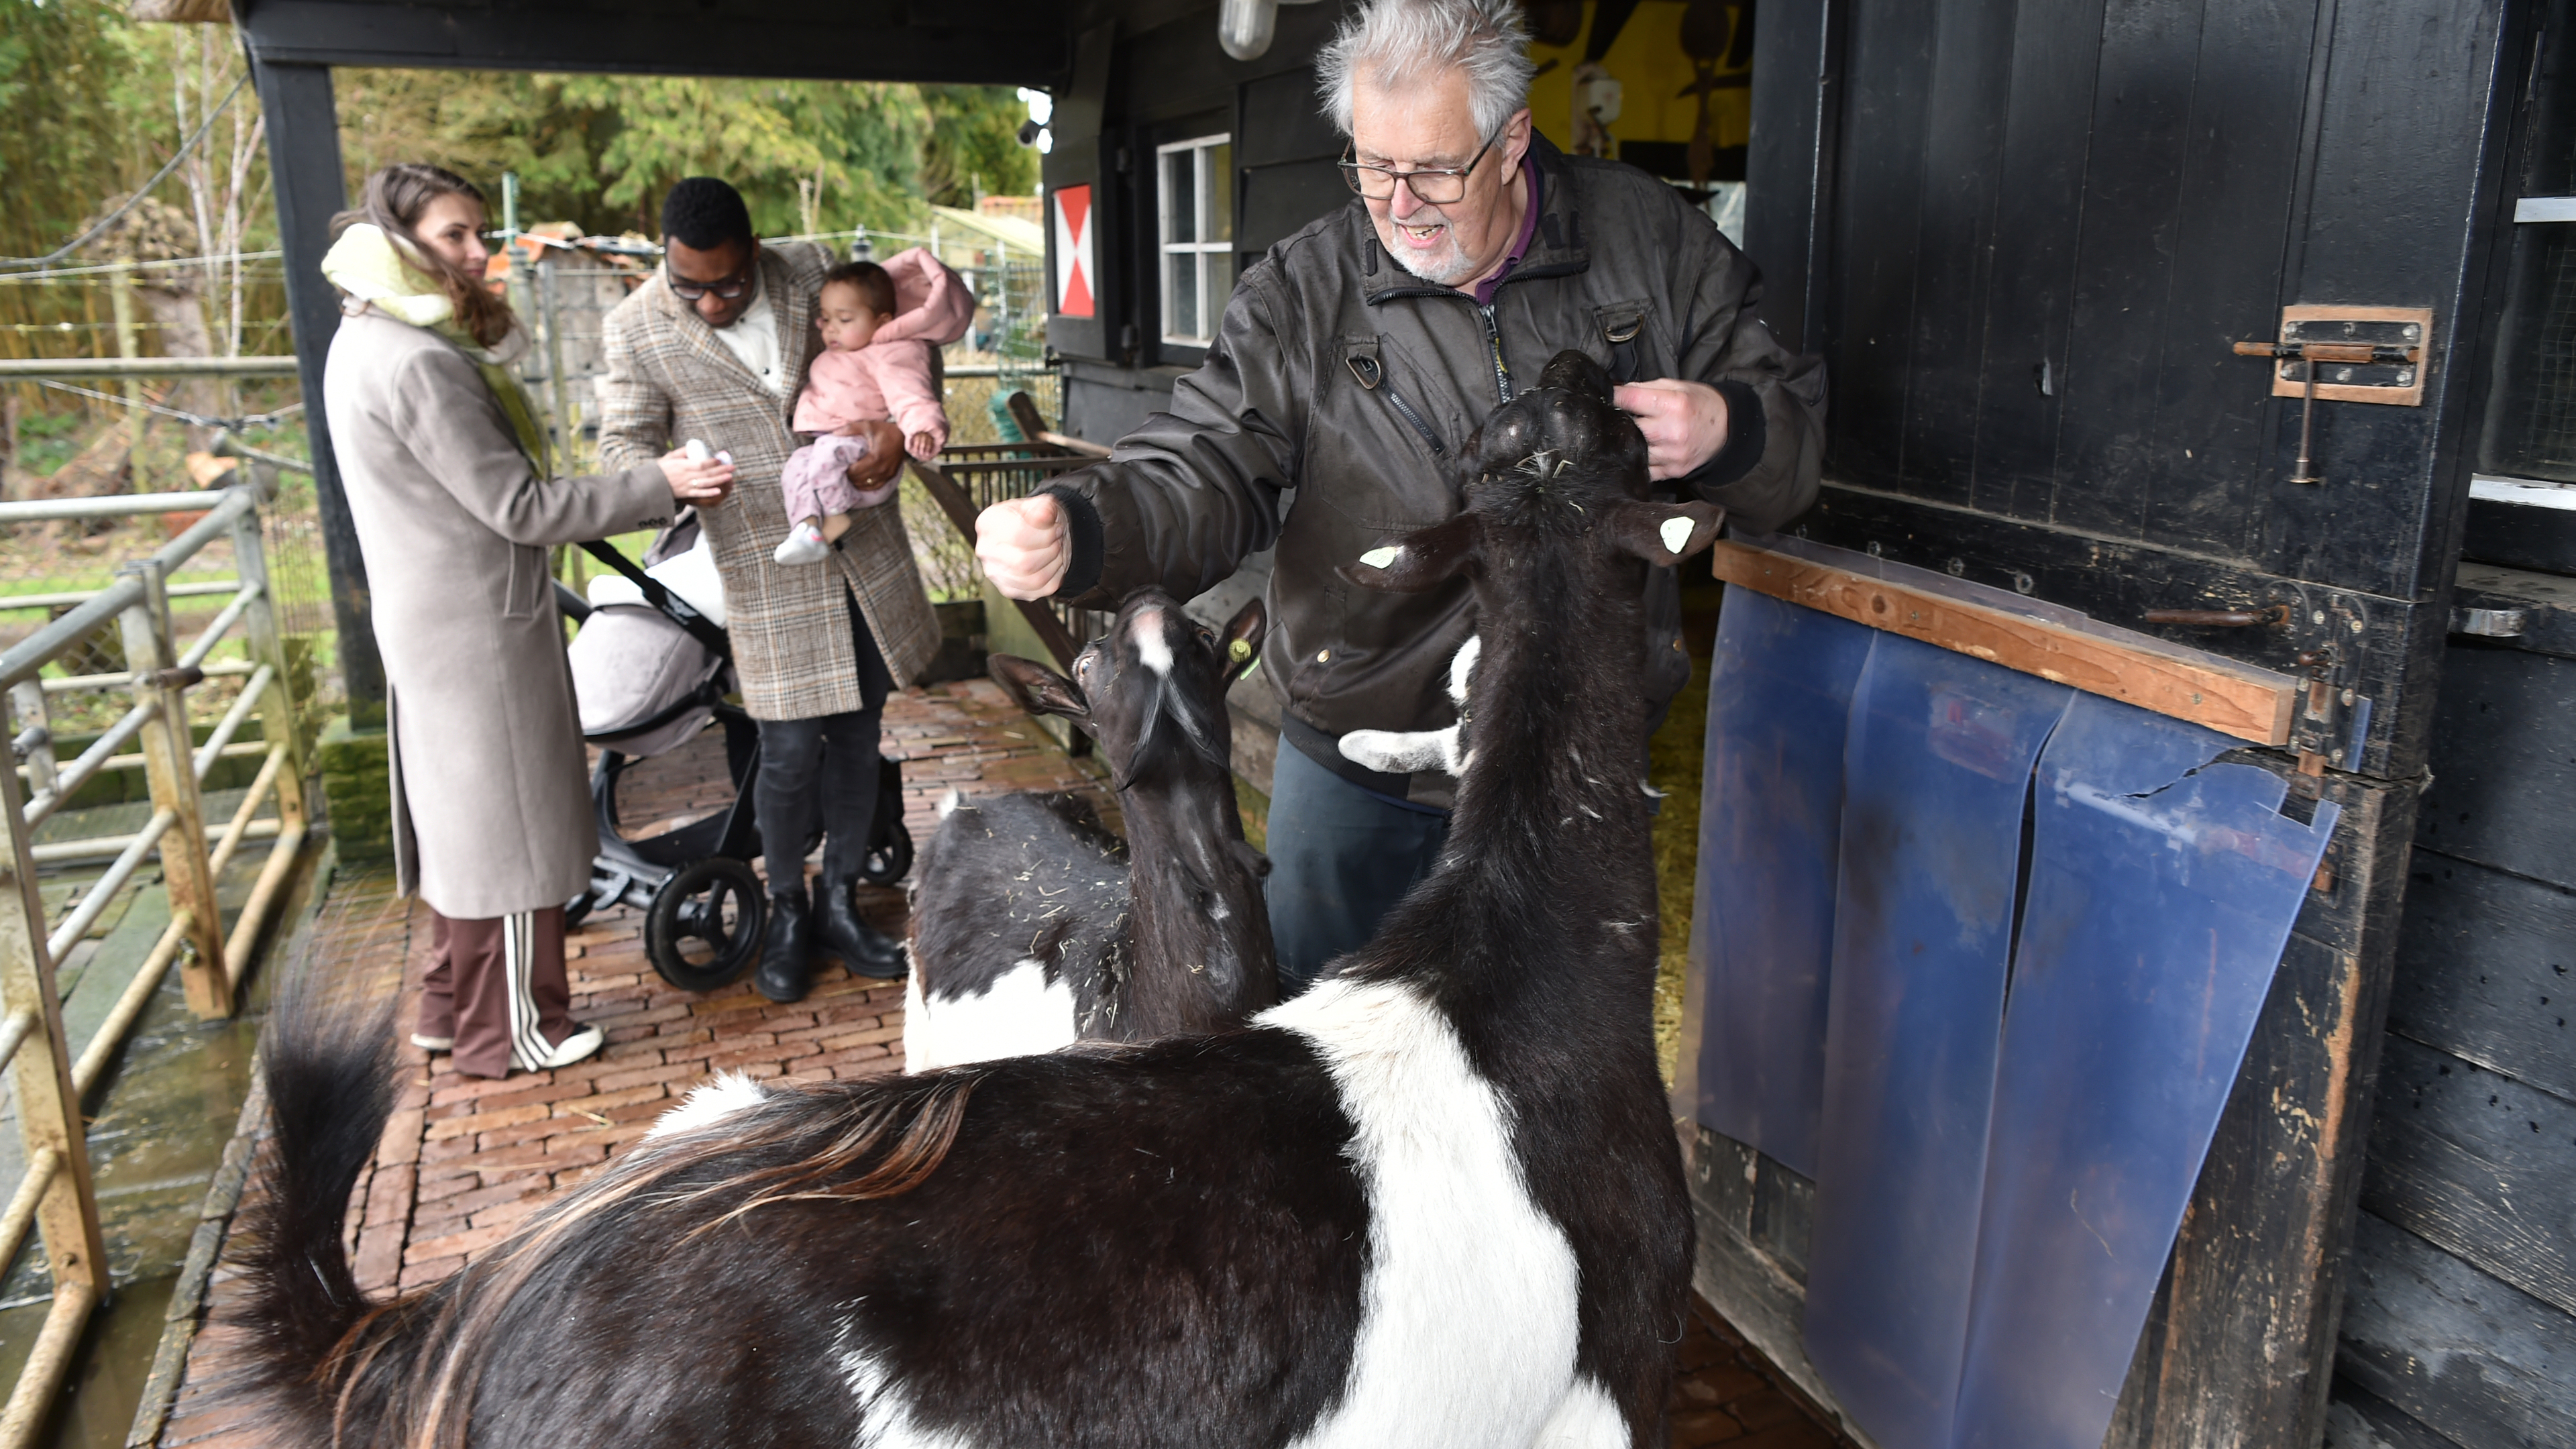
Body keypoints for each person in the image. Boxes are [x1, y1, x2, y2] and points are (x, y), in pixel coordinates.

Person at [976, 0, 1826, 996]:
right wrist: (1087, 526)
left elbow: (1795, 442)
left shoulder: (1651, 242)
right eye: (1371, 167)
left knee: (1553, 1081)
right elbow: (1206, 463)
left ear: (1512, 141)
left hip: (1567, 769)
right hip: (1355, 763)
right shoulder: (1305, 289)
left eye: (1432, 169)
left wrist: (1730, 428)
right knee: (1318, 1081)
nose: (1399, 203)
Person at [320, 162, 737, 1079]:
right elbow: (520, 507)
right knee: (507, 833)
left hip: (431, 616)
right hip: (479, 626)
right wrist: (658, 482)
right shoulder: (424, 362)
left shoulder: (363, 337)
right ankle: (512, 1030)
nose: (479, 253)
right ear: (400, 243)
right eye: (454, 237)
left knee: (464, 825)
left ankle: (446, 1006)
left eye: (478, 232)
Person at [598, 177, 944, 1004]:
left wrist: (898, 430)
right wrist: (672, 480)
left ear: (755, 254)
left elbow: (908, 352)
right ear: (666, 263)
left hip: (861, 547)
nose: (711, 303)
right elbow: (623, 446)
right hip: (760, 563)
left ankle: (843, 902)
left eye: (728, 284)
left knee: (861, 739)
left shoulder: (813, 268)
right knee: (786, 757)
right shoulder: (637, 327)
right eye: (691, 286)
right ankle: (786, 910)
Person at [774, 250, 973, 566]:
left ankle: (835, 515)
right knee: (797, 464)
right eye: (826, 319)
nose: (831, 329)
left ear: (882, 321)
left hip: (864, 450)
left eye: (845, 319)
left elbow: (911, 394)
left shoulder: (891, 353)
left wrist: (921, 428)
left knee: (825, 455)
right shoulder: (851, 350)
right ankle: (808, 527)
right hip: (835, 445)